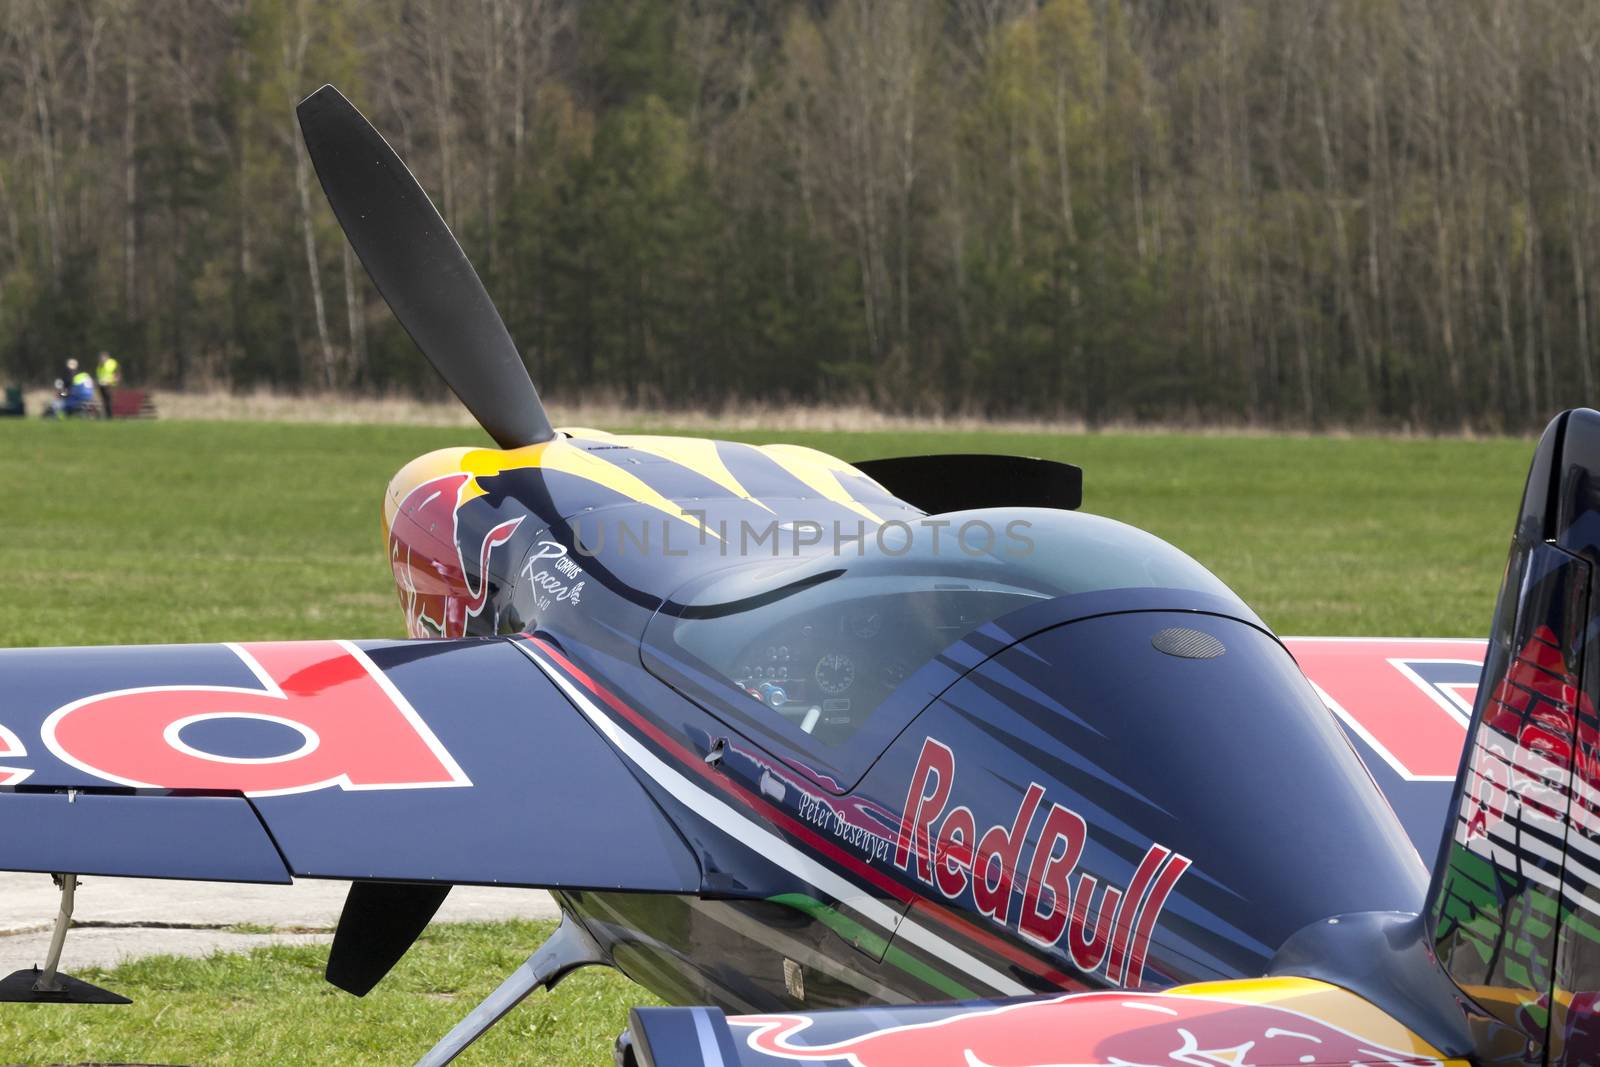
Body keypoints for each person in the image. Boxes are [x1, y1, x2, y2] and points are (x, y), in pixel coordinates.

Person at [95, 350, 121, 419]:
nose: (102, 359)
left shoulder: (112, 363)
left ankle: (110, 416)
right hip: (102, 385)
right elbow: (99, 375)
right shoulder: (100, 366)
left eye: (103, 357)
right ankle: (106, 416)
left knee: (108, 401)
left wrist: (115, 380)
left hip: (110, 385)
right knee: (104, 401)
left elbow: (117, 373)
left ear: (107, 357)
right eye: (100, 357)